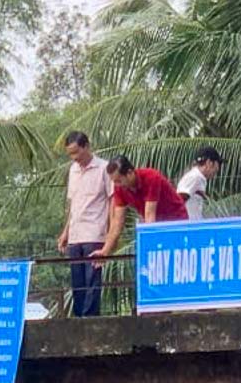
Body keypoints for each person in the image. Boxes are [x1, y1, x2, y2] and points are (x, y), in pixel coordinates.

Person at [56, 131, 115, 318]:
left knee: (92, 281)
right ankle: (79, 319)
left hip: (95, 232)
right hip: (75, 234)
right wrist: (65, 232)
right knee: (77, 282)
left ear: (86, 147)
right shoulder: (73, 170)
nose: (74, 157)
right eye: (70, 154)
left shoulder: (104, 168)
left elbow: (113, 201)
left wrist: (110, 233)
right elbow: (73, 204)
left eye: (76, 152)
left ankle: (90, 320)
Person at [94, 157, 189, 267]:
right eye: (114, 181)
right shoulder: (119, 188)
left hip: (177, 222)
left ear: (130, 173)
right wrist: (105, 251)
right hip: (156, 224)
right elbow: (117, 222)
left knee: (175, 262)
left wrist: (149, 246)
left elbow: (149, 215)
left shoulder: (151, 177)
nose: (117, 185)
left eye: (119, 180)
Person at [175, 146, 223, 220]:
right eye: (218, 164)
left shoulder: (198, 177)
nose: (218, 169)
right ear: (209, 163)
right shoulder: (195, 177)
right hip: (188, 224)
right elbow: (179, 200)